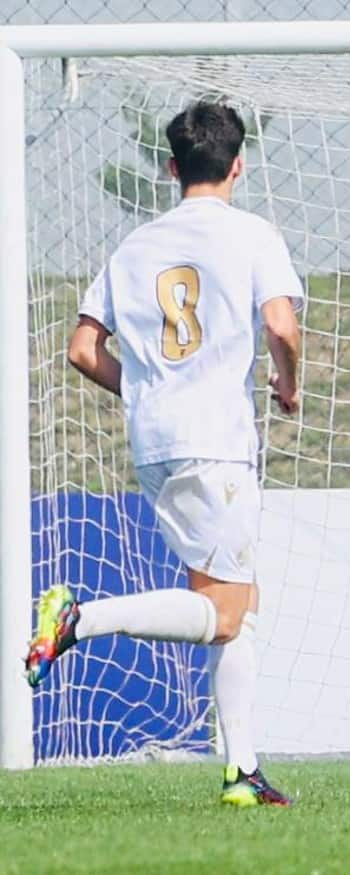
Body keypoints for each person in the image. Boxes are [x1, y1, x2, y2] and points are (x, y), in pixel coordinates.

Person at [24, 101, 303, 807]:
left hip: (154, 440)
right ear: (238, 165)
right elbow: (281, 325)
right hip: (217, 441)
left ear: (173, 169)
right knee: (229, 612)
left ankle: (242, 768)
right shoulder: (252, 233)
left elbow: (83, 349)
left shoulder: (135, 245)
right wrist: (288, 382)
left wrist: (145, 388)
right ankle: (79, 618)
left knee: (229, 594)